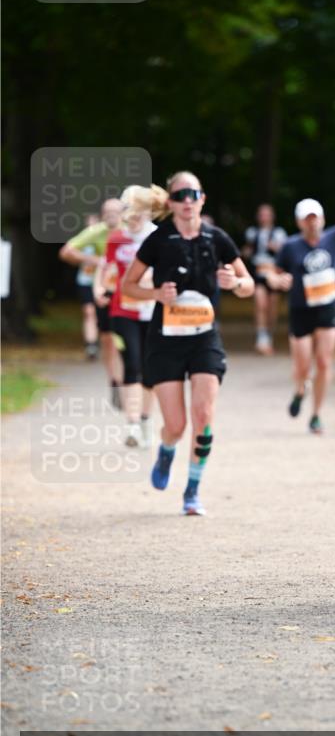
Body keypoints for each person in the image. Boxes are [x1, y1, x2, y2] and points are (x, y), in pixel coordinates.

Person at [122, 171, 254, 516]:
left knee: (204, 415)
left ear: (202, 199)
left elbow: (249, 283)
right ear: (170, 202)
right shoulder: (158, 240)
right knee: (177, 425)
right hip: (165, 341)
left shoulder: (217, 238)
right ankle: (166, 450)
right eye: (179, 195)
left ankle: (192, 490)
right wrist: (155, 293)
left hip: (204, 340)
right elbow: (127, 286)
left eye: (192, 194)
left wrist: (235, 282)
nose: (186, 201)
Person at [265, 169, 335, 435]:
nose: (312, 223)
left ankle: (317, 414)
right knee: (302, 366)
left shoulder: (333, 236)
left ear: (322, 218)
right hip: (300, 311)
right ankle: (300, 389)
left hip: (327, 308)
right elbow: (273, 273)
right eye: (307, 219)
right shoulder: (290, 246)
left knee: (323, 363)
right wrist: (278, 281)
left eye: (316, 217)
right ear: (300, 222)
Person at [96, 186, 159, 448]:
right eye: (128, 212)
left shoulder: (158, 238)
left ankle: (145, 420)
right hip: (123, 310)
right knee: (131, 362)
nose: (132, 217)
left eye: (137, 212)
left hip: (153, 310)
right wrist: (101, 287)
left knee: (150, 369)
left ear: (147, 213)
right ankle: (132, 423)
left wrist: (151, 279)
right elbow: (108, 267)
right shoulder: (116, 238)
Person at [58, 199, 124, 404]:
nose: (111, 215)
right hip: (101, 288)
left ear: (123, 213)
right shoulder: (97, 231)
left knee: (128, 337)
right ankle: (114, 381)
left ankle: (132, 381)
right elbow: (66, 251)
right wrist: (96, 261)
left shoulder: (131, 231)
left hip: (128, 291)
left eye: (115, 211)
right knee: (108, 339)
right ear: (102, 215)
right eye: (107, 212)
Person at [242, 204, 287, 355]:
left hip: (273, 272)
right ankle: (262, 338)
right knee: (261, 304)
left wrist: (275, 247)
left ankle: (269, 335)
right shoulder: (252, 233)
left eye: (267, 214)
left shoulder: (279, 233)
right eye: (261, 214)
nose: (264, 217)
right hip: (259, 272)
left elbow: (285, 252)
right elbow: (247, 251)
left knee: (272, 307)